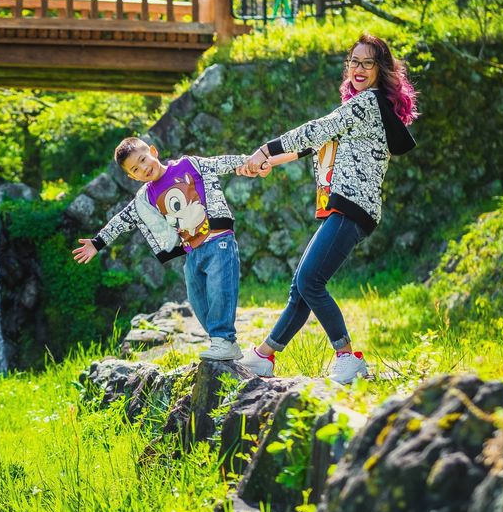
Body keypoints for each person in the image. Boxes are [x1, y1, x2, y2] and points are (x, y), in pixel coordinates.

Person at [238, 33, 418, 384]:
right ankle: (263, 355)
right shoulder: (359, 109)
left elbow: (314, 130)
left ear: (381, 70)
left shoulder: (367, 103)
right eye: (354, 61)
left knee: (310, 280)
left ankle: (347, 356)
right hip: (346, 209)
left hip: (352, 207)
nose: (359, 68)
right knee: (301, 287)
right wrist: (269, 161)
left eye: (368, 62)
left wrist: (264, 149)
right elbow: (313, 144)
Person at [73, 137, 253, 361]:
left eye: (143, 159)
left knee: (219, 289)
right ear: (132, 176)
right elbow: (122, 220)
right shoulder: (145, 198)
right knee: (197, 297)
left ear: (153, 151)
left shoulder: (188, 165)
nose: (144, 168)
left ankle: (223, 338)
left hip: (218, 239)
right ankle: (223, 342)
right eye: (136, 169)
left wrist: (251, 161)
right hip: (192, 250)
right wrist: (97, 242)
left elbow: (220, 162)